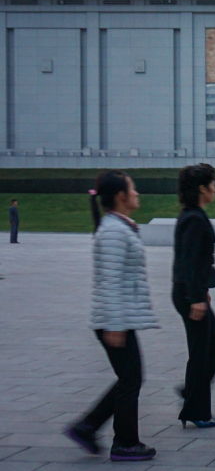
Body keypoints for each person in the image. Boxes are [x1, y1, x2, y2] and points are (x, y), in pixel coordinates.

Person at [63, 171, 158, 462]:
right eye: (133, 189)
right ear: (120, 197)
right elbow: (112, 281)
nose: (137, 193)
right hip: (114, 319)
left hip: (118, 317)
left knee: (129, 378)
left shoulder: (118, 227)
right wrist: (115, 325)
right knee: (131, 379)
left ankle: (87, 427)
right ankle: (125, 443)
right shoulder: (115, 232)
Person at [171, 163, 215, 429]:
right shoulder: (193, 218)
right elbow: (189, 262)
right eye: (212, 185)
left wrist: (202, 291)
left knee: (213, 346)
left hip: (191, 291)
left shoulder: (193, 214)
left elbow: (195, 262)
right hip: (187, 293)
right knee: (203, 350)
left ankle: (191, 395)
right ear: (202, 189)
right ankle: (195, 410)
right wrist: (195, 297)